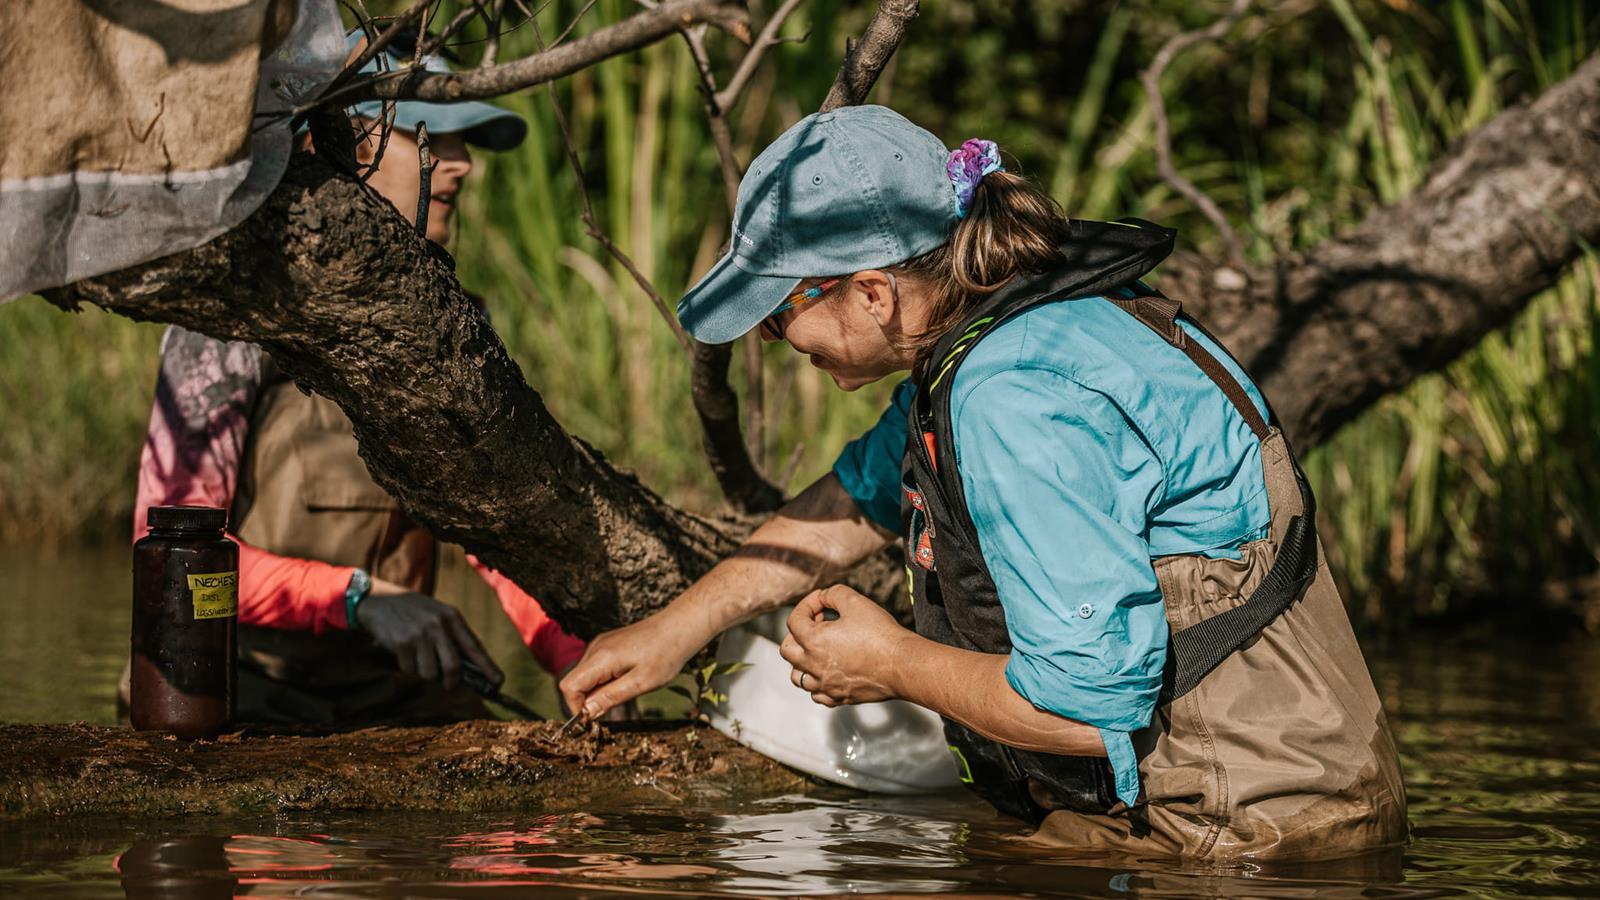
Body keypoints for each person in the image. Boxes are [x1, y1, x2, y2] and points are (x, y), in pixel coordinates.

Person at [560, 105, 1407, 861]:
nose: (776, 340)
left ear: (871, 293)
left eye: (780, 316)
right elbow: (853, 501)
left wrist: (888, 661)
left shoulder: (1012, 394)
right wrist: (672, 629)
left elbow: (1083, 710)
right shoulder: (1000, 329)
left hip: (1256, 838)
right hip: (1189, 805)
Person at [127, 35, 584, 727]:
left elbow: (501, 531)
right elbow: (167, 556)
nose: (460, 167)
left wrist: (574, 656)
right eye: (431, 137)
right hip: (236, 685)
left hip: (392, 695)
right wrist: (357, 599)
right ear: (340, 145)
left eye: (467, 146)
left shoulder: (463, 325)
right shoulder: (231, 321)